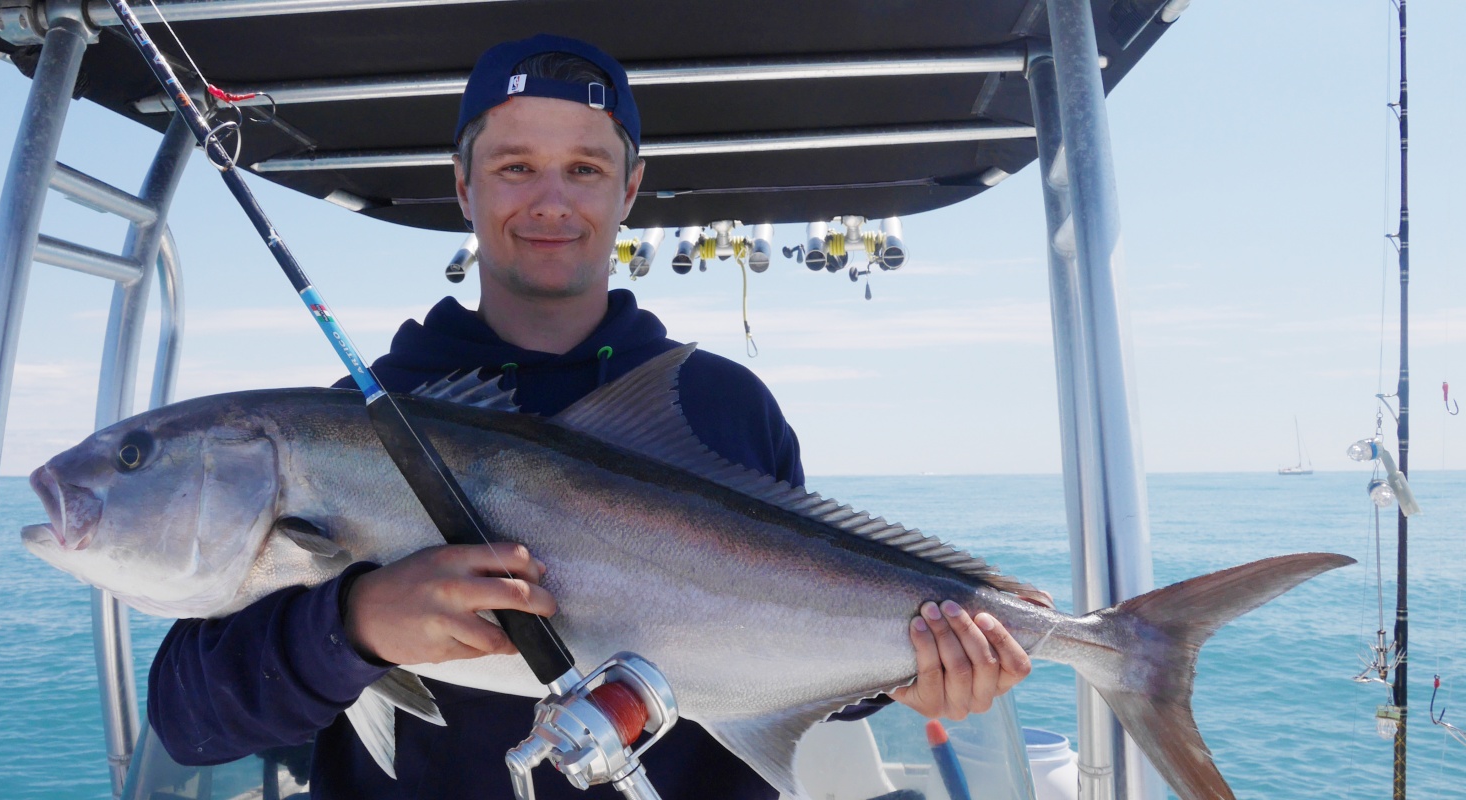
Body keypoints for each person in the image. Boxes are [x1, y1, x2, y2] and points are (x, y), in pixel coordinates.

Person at [148, 34, 1031, 799]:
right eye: (514, 167)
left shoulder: (720, 406)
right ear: (463, 185)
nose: (551, 201)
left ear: (629, 187)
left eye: (584, 168)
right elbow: (190, 722)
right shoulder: (359, 429)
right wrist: (358, 623)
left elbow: (790, 624)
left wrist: (914, 673)